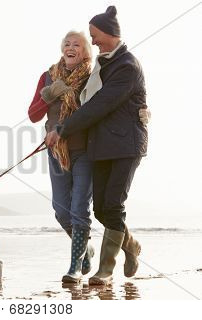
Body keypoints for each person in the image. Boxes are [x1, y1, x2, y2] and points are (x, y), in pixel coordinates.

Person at [47, 6, 148, 285]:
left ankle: (105, 270)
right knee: (102, 210)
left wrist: (63, 129)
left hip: (125, 146)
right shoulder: (103, 65)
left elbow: (99, 106)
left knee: (112, 206)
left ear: (109, 33)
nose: (92, 41)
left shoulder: (127, 66)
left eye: (94, 36)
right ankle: (132, 246)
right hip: (100, 146)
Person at [28, 31, 95, 283]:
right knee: (61, 210)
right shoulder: (48, 76)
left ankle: (75, 267)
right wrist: (49, 95)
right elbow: (34, 115)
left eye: (77, 44)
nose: (70, 47)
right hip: (56, 150)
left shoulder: (94, 76)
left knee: (79, 209)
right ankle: (85, 249)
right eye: (67, 43)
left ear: (86, 51)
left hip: (87, 150)